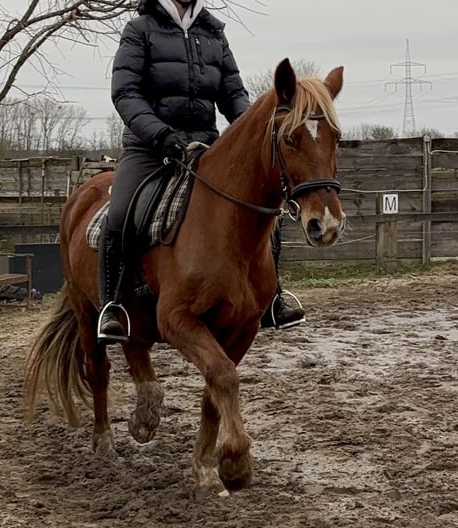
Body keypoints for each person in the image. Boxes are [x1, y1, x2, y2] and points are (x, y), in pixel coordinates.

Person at [97, 0, 304, 344]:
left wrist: (252, 129)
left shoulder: (213, 33)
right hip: (150, 146)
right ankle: (112, 306)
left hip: (206, 146)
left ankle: (272, 300)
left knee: (265, 211)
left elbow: (233, 93)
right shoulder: (140, 30)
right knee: (119, 214)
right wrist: (160, 133)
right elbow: (126, 92)